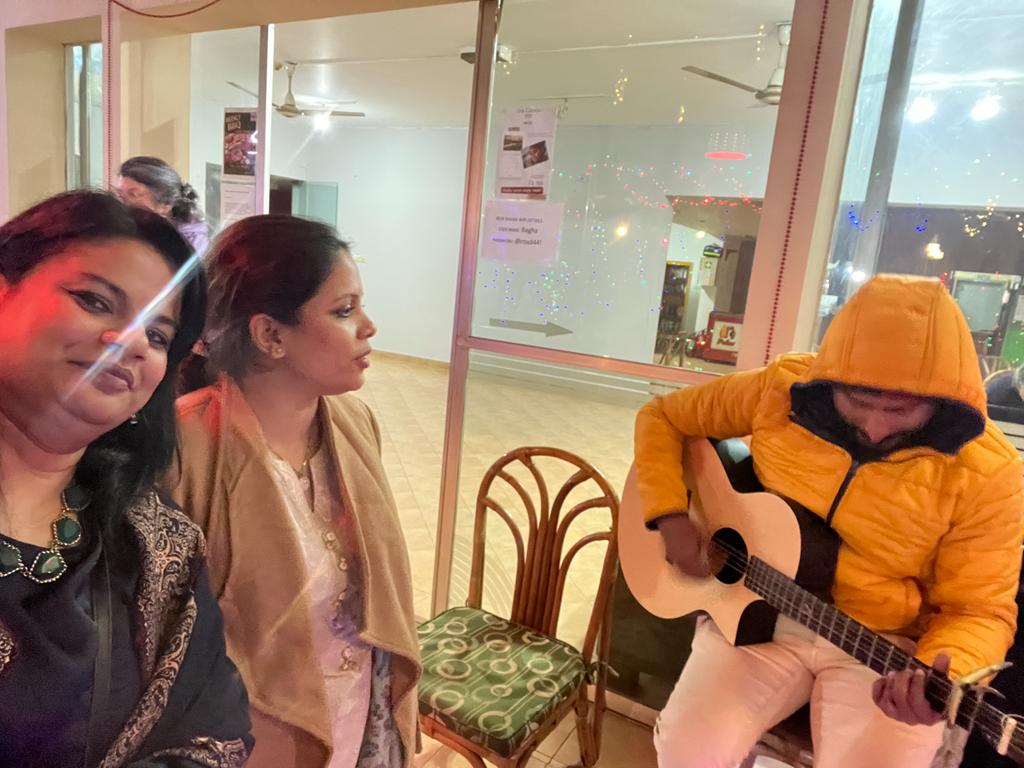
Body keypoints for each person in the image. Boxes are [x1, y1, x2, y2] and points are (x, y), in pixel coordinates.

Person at [634, 274, 1024, 768]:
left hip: (884, 649)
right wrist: (669, 513)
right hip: (755, 611)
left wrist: (941, 673)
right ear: (829, 382)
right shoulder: (781, 389)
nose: (876, 427)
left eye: (901, 410)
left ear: (942, 403)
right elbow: (663, 416)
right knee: (686, 751)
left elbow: (979, 610)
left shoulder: (990, 471)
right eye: (858, 402)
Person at [0, 191, 252, 766]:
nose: (132, 342)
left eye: (158, 337)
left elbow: (215, 729)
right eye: (94, 301)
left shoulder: (158, 542)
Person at [167, 214, 421, 768]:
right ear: (270, 335)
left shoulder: (355, 423)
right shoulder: (185, 448)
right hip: (256, 740)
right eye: (344, 310)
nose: (369, 326)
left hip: (359, 716)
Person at [116, 156, 210, 256]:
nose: (121, 203)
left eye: (133, 194)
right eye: (120, 195)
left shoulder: (191, 245)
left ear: (166, 204)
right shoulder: (123, 232)